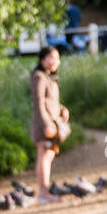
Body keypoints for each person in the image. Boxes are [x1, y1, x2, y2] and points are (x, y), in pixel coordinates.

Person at [30, 45, 69, 204]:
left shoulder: (50, 77)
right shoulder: (39, 77)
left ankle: (45, 191)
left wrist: (62, 109)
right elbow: (38, 102)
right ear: (42, 59)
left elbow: (50, 101)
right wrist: (46, 124)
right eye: (51, 58)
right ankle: (43, 192)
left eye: (57, 58)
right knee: (44, 157)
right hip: (45, 125)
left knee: (49, 156)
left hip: (52, 123)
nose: (55, 61)